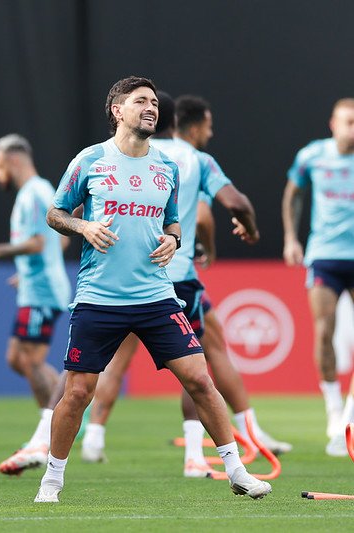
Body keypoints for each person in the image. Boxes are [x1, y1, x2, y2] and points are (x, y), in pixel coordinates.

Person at [34, 76, 270, 503]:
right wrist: (84, 225)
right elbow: (55, 213)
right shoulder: (89, 160)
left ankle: (236, 471)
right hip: (99, 298)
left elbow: (174, 222)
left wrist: (174, 239)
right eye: (140, 101)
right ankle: (52, 479)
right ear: (117, 110)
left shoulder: (167, 167)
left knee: (200, 379)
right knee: (78, 393)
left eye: (154, 103)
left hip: (156, 296)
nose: (151, 107)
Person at [77, 94, 291, 475]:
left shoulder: (128, 154)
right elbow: (227, 206)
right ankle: (199, 451)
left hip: (120, 276)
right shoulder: (194, 160)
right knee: (198, 366)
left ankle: (94, 436)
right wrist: (240, 234)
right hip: (174, 278)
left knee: (115, 364)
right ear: (186, 124)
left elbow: (83, 204)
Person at [0, 134, 71, 411]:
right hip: (35, 285)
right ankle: (67, 404)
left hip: (43, 290)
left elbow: (38, 243)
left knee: (30, 361)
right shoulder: (40, 190)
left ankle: (47, 434)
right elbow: (61, 240)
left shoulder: (34, 194)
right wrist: (28, 272)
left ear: (12, 161)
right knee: (17, 359)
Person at [282, 98, 354, 455]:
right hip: (325, 255)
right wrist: (291, 238)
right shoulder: (313, 156)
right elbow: (293, 192)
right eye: (349, 122)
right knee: (324, 331)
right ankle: (333, 409)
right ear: (333, 124)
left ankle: (349, 421)